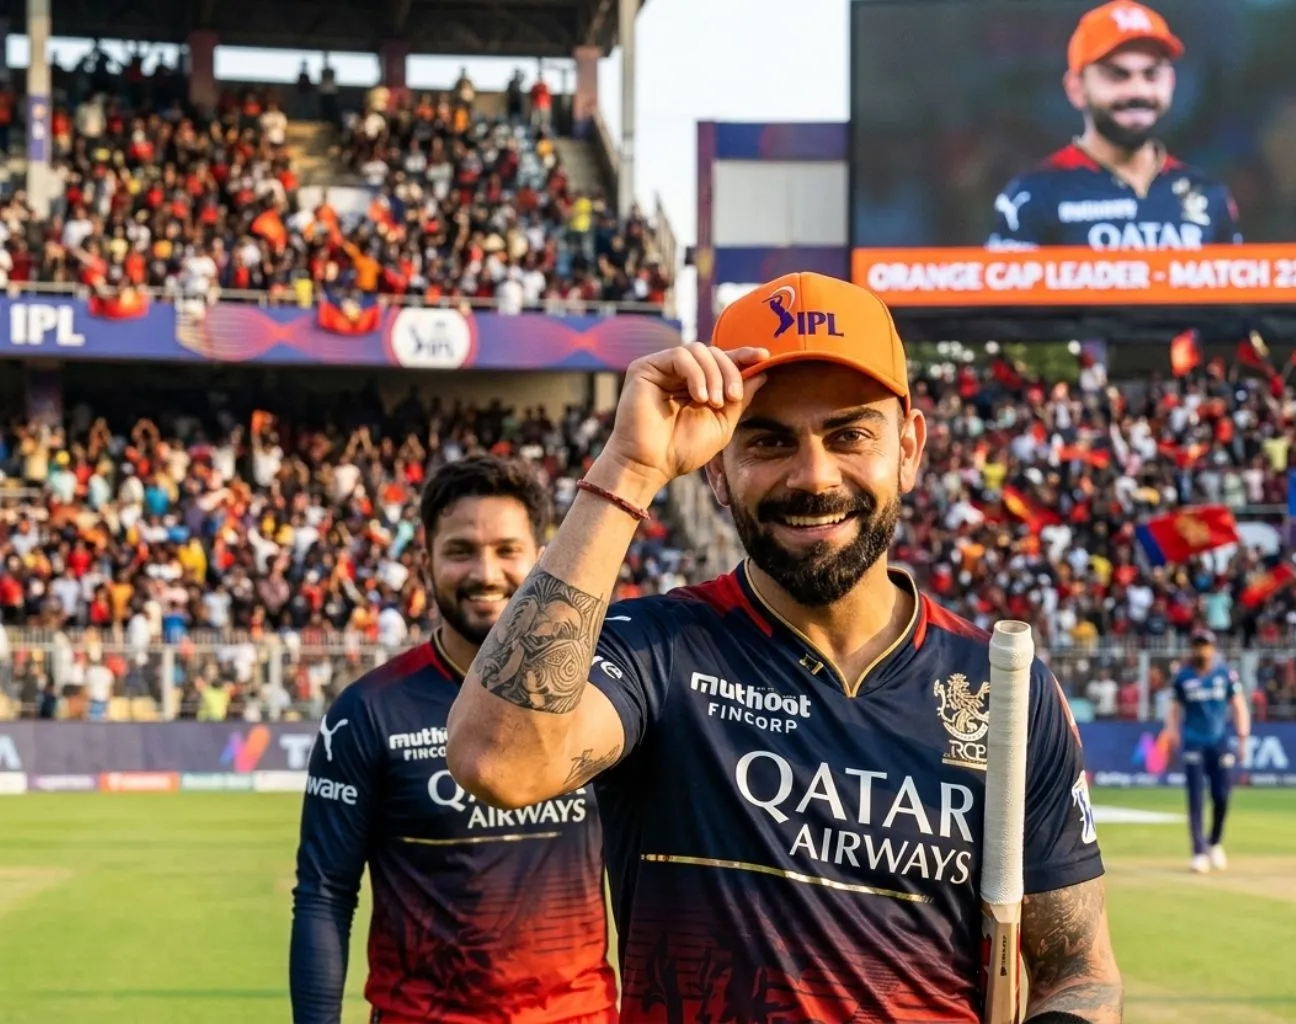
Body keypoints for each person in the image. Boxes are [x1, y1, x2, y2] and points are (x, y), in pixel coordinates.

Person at [448, 272, 1122, 1023]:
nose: (813, 477)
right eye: (767, 439)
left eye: (849, 434)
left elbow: (1079, 972)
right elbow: (497, 761)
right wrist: (628, 470)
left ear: (910, 448)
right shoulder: (661, 650)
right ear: (716, 469)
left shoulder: (1003, 690)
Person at [289, 455, 617, 1024]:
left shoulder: (602, 699)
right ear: (426, 562)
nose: (485, 573)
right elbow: (324, 894)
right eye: (461, 550)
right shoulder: (367, 711)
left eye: (507, 551)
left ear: (544, 562)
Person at [986, 0, 1241, 251]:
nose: (1138, 90)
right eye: (1117, 75)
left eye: (1151, 74)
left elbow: (1242, 288)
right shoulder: (1035, 195)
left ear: (1171, 82)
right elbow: (1000, 290)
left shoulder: (1208, 194)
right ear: (1076, 89)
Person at [1164, 628, 1249, 873]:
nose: (1202, 649)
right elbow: (1174, 708)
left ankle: (1215, 842)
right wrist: (1172, 734)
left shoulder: (1225, 674)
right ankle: (1199, 851)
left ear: (1213, 648)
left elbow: (1238, 705)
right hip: (1193, 741)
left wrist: (1242, 737)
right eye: (1198, 644)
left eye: (1206, 645)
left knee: (1222, 795)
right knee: (1195, 797)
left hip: (1219, 741)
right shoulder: (1183, 677)